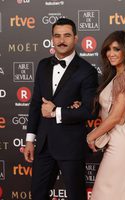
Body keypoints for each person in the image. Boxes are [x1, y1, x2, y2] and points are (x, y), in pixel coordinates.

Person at [23, 18, 98, 200]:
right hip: (44, 144)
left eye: (66, 35)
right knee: (37, 194)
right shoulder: (42, 65)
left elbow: (89, 110)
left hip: (71, 145)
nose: (61, 40)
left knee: (76, 196)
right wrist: (30, 139)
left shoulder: (87, 71)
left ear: (76, 38)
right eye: (57, 36)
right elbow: (35, 105)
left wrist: (56, 111)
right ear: (52, 38)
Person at [86, 30, 125, 200]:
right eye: (108, 49)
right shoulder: (116, 77)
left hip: (120, 143)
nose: (111, 53)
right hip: (115, 141)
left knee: (105, 193)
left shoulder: (124, 77)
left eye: (117, 49)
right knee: (115, 193)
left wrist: (91, 135)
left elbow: (117, 116)